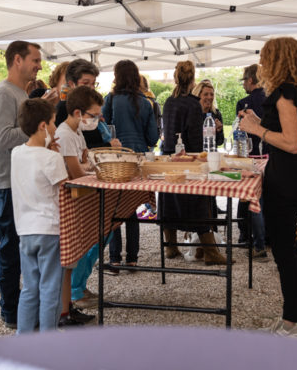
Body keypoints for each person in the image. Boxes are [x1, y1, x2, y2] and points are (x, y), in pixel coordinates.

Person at [238, 37, 297, 338]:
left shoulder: (284, 95)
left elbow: (292, 144)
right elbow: (286, 133)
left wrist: (257, 129)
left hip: (286, 177)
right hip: (294, 175)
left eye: (266, 57)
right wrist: (259, 121)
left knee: (282, 248)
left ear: (278, 60)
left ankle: (292, 322)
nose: (261, 64)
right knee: (288, 243)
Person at [0, 40, 58, 330]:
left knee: (21, 253)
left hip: (19, 181)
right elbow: (1, 139)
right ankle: (12, 313)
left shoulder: (19, 93)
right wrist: (36, 130)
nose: (40, 65)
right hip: (7, 182)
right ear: (17, 60)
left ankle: (27, 317)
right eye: (35, 60)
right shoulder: (3, 93)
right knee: (11, 251)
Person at [159, 61, 227, 265]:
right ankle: (211, 252)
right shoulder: (192, 104)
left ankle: (171, 246)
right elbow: (197, 140)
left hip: (169, 158)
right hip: (189, 159)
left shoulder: (169, 101)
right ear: (193, 79)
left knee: (168, 201)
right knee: (199, 203)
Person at [11, 99, 68, 332]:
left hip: (25, 229)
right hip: (50, 228)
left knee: (30, 288)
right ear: (44, 125)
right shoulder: (52, 158)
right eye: (54, 123)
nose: (55, 128)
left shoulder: (16, 153)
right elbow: (65, 189)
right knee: (50, 289)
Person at [102, 60, 159, 272]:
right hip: (138, 159)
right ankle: (132, 259)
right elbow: (153, 137)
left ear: (116, 76)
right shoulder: (146, 103)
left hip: (115, 160)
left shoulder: (111, 100)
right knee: (133, 208)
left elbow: (103, 128)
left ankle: (114, 259)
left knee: (114, 209)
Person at [54, 85, 103, 326]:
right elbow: (77, 171)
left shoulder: (76, 133)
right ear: (76, 112)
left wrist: (87, 165)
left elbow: (86, 159)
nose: (95, 120)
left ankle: (67, 307)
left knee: (79, 252)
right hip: (69, 200)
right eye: (92, 115)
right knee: (69, 257)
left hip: (79, 196)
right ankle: (65, 309)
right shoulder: (64, 134)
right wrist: (87, 166)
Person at [235, 63, 268, 259]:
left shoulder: (243, 103)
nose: (243, 85)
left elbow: (240, 132)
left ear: (250, 80)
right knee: (264, 200)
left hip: (251, 157)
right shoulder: (273, 101)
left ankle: (252, 241)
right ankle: (263, 240)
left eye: (244, 81)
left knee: (249, 199)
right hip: (271, 156)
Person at [54, 59, 110, 149]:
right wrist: (108, 146)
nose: (91, 88)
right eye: (86, 83)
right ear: (71, 84)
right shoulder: (64, 108)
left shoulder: (89, 104)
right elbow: (74, 147)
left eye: (93, 83)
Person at [191, 79, 224, 147]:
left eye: (212, 94)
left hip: (211, 154)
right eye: (206, 94)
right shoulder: (191, 114)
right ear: (198, 96)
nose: (209, 97)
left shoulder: (216, 114)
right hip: (195, 154)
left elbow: (220, 142)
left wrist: (219, 131)